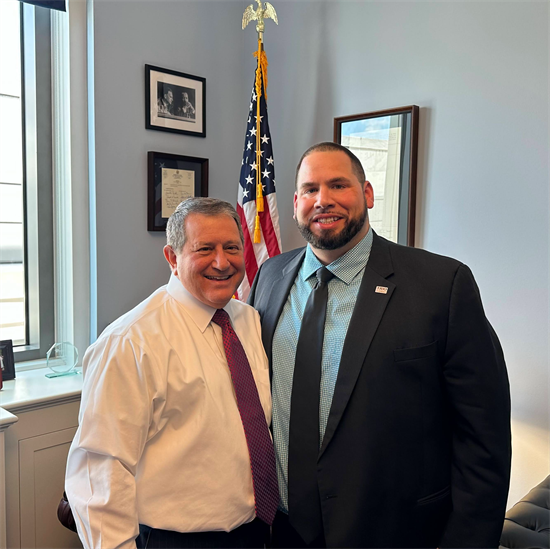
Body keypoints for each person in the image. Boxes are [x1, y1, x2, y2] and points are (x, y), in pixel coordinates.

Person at [248, 142, 511, 549]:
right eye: (311, 189)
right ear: (297, 201)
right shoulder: (270, 275)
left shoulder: (442, 285)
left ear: (367, 194)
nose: (324, 200)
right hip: (279, 530)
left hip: (393, 532)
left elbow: (483, 436)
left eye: (339, 185)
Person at [66, 197, 278, 549]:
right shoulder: (130, 341)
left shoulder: (247, 320)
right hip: (176, 540)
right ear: (172, 258)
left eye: (231, 247)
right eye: (204, 249)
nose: (222, 262)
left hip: (255, 532)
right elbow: (100, 473)